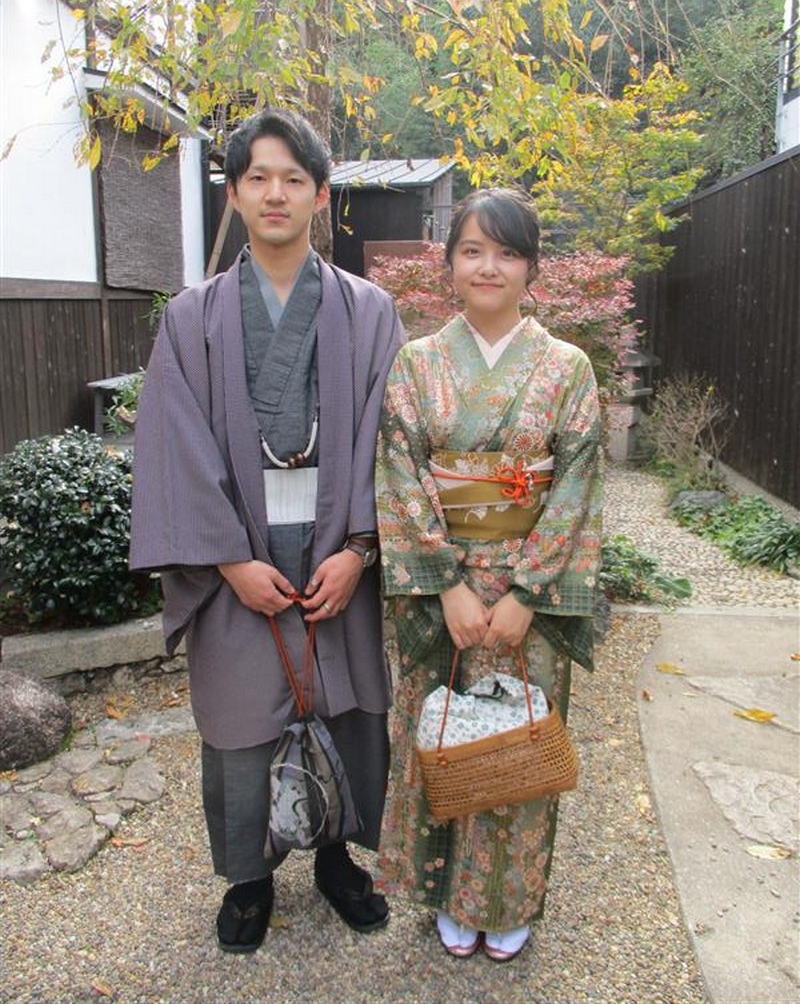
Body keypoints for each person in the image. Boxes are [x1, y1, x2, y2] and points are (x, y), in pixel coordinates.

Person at [129, 108, 405, 953]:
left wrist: (360, 551)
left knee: (346, 700)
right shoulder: (192, 317)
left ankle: (338, 859)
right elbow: (174, 442)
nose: (275, 193)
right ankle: (249, 879)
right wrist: (227, 560)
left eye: (294, 178)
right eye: (258, 178)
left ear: (321, 195)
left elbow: (394, 438)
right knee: (243, 714)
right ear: (235, 194)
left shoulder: (370, 311)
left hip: (338, 545)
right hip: (236, 551)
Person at [374, 188, 602, 962]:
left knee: (515, 743)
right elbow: (401, 474)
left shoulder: (566, 368)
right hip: (445, 588)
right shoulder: (418, 364)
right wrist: (445, 583)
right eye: (472, 250)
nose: (488, 267)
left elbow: (576, 486)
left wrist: (530, 595)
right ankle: (450, 897)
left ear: (532, 268)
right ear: (448, 264)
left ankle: (508, 901)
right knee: (442, 738)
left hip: (527, 592)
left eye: (507, 252)